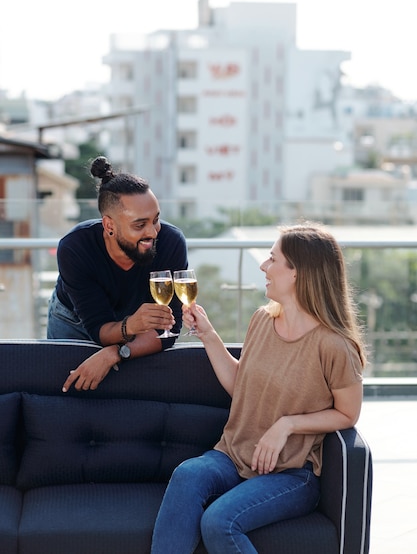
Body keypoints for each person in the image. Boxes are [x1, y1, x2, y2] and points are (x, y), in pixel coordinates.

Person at [151, 222, 366, 554]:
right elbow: (242, 385)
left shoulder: (334, 345)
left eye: (272, 259)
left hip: (292, 474)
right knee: (188, 474)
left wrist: (288, 424)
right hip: (234, 455)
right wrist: (208, 334)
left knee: (219, 521)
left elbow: (348, 413)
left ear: (298, 272)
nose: (264, 266)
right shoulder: (262, 320)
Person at [47, 156, 188, 392]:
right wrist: (130, 326)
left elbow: (169, 329)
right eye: (139, 225)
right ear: (109, 225)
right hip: (75, 321)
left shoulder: (171, 242)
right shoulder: (75, 248)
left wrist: (117, 352)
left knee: (127, 391)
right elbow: (98, 328)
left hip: (139, 321)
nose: (153, 232)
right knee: (67, 392)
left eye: (156, 220)